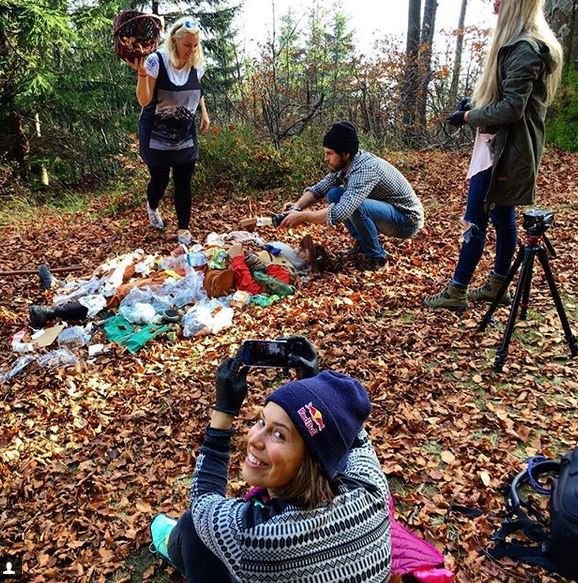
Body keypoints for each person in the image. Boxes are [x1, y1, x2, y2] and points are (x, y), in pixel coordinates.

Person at [149, 338, 392, 582]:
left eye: (279, 434)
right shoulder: (371, 492)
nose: (254, 439)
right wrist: (314, 388)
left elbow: (203, 502)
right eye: (261, 421)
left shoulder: (260, 536)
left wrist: (224, 409)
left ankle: (173, 544)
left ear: (312, 459)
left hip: (264, 556)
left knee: (192, 529)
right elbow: (352, 434)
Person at [424, 0, 563, 311]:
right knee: (502, 216)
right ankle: (498, 284)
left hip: (504, 151)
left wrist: (469, 117)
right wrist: (472, 104)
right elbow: (506, 97)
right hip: (497, 146)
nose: (494, 5)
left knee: (475, 217)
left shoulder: (525, 48)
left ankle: (458, 289)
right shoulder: (519, 44)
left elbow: (512, 108)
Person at [280, 121, 424, 271]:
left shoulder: (365, 169)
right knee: (334, 194)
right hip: (389, 212)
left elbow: (341, 212)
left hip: (407, 220)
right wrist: (297, 207)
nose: (325, 158)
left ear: (346, 154)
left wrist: (303, 217)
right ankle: (363, 245)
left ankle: (378, 259)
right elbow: (319, 189)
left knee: (356, 206)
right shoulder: (345, 164)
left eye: (329, 153)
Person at [127, 16, 211, 246]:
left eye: (195, 46)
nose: (191, 50)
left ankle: (183, 228)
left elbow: (196, 90)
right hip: (156, 133)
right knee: (160, 179)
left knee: (184, 180)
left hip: (184, 132)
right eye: (187, 45)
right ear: (175, 41)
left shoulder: (197, 64)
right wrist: (142, 74)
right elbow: (144, 100)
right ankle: (152, 206)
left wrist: (203, 111)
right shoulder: (156, 61)